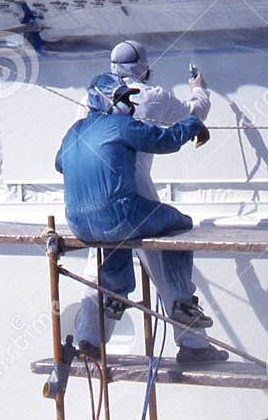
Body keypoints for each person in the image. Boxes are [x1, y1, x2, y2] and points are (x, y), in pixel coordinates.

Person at [55, 75, 220, 364]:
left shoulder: (74, 131)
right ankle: (183, 303)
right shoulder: (120, 125)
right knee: (179, 224)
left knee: (116, 237)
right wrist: (194, 124)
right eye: (123, 99)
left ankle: (115, 293)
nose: (130, 104)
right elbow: (165, 140)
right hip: (120, 214)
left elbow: (59, 164)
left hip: (79, 224)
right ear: (107, 102)